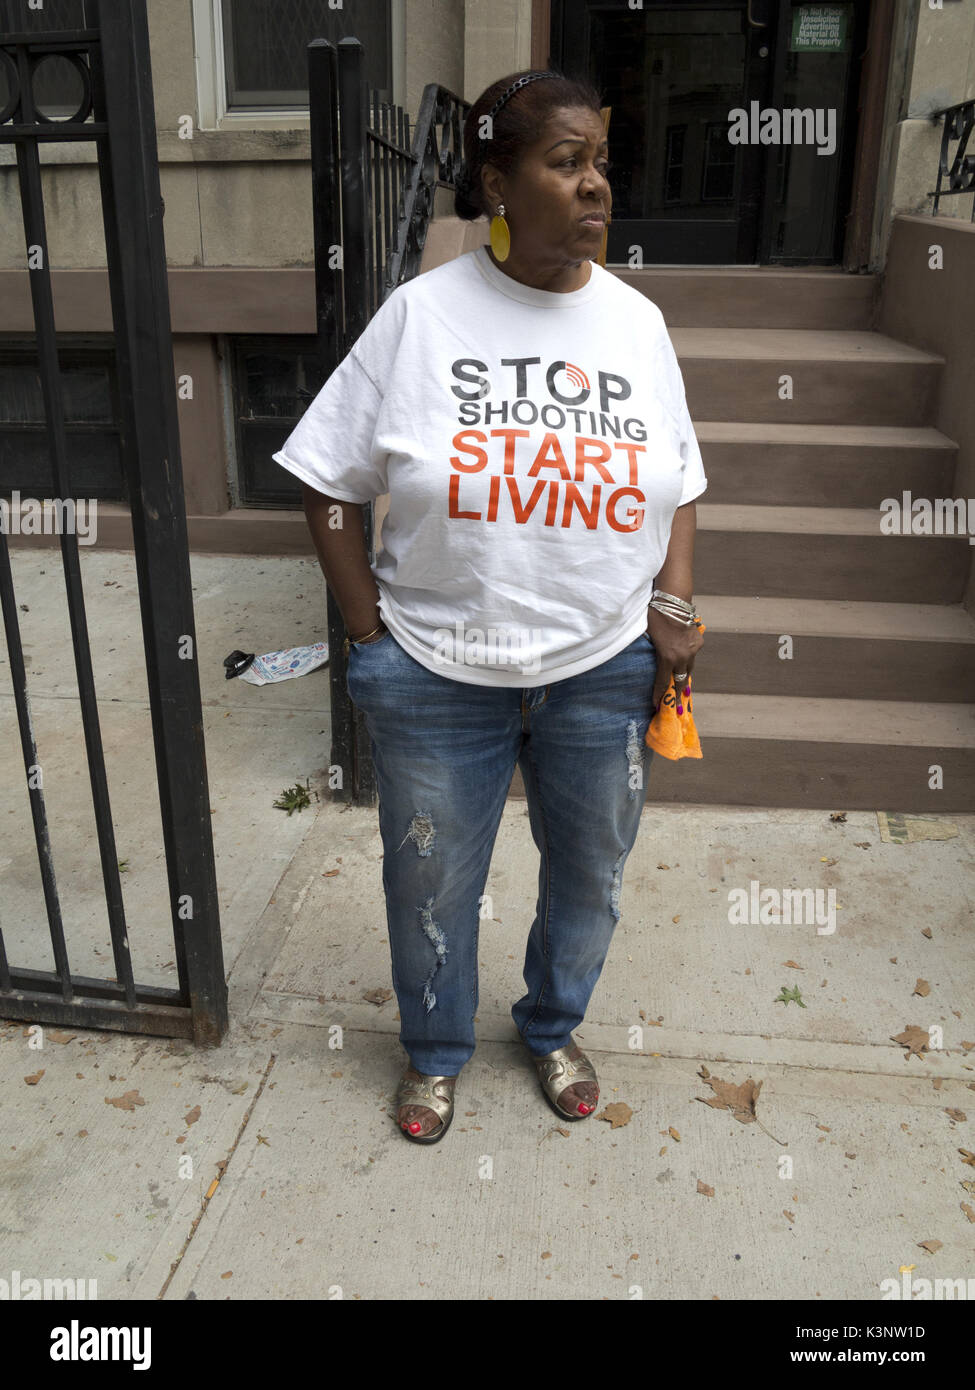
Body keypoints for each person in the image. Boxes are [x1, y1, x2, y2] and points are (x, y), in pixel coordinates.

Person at [273, 68, 706, 1145]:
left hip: (603, 671)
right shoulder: (421, 317)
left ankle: (552, 1026)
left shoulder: (638, 326)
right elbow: (326, 484)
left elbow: (680, 484)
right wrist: (370, 638)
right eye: (567, 163)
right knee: (430, 882)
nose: (597, 185)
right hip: (434, 672)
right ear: (499, 183)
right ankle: (434, 1052)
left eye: (601, 161)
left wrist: (675, 603)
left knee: (591, 878)